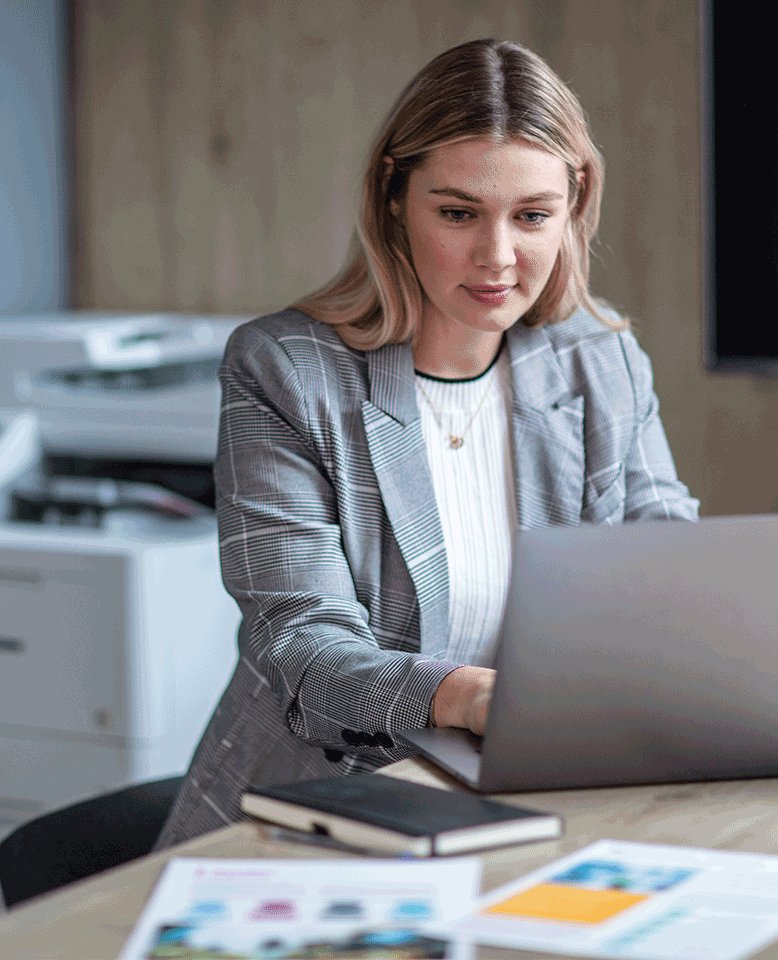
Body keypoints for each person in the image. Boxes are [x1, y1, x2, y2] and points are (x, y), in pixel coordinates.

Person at [153, 38, 699, 850]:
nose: (499, 257)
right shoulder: (287, 373)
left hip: (535, 801)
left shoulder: (599, 359)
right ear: (393, 197)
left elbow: (668, 565)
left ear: (575, 206)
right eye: (457, 213)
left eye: (533, 216)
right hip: (320, 811)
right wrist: (471, 698)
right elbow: (305, 647)